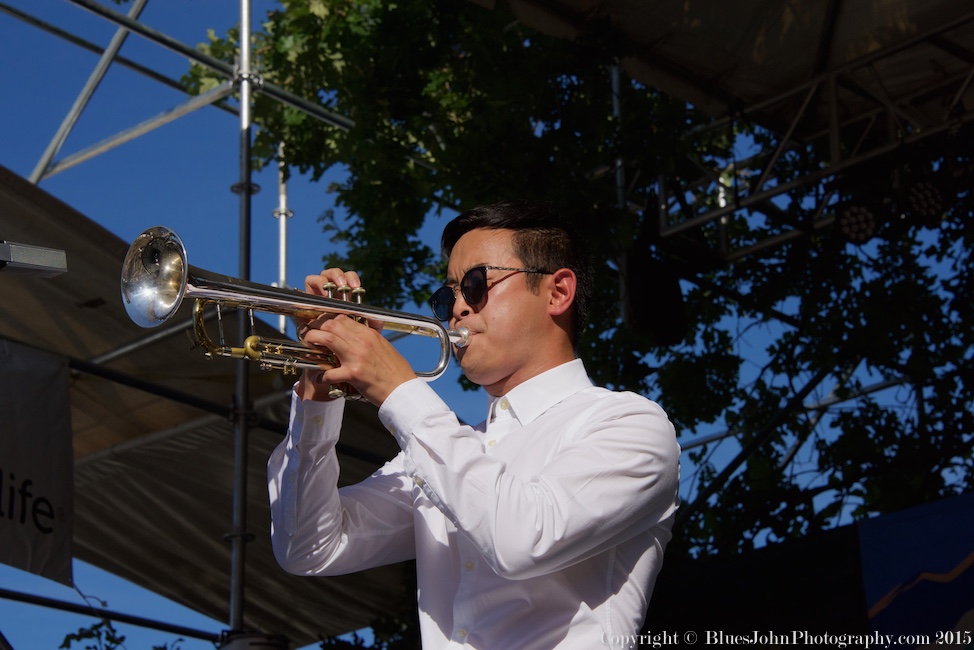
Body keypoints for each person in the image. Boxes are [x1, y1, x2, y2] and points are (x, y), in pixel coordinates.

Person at [267, 200, 681, 649]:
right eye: (448, 295)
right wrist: (316, 394)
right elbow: (307, 547)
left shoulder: (630, 424)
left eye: (476, 285)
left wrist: (397, 388)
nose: (457, 309)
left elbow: (522, 538)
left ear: (558, 292)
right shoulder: (446, 451)